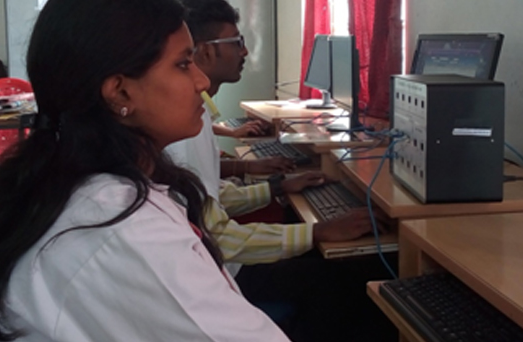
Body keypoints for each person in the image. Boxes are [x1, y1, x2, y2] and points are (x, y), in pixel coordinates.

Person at [0, 0, 288, 341]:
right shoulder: (122, 226)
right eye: (182, 64)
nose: (201, 81)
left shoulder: (80, 184)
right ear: (120, 92)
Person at [168, 1, 397, 341]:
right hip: (226, 272)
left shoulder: (196, 120)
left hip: (220, 261)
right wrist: (317, 232)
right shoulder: (182, 133)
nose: (245, 51)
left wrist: (277, 185)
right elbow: (219, 236)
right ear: (202, 53)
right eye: (235, 42)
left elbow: (210, 195)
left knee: (335, 253)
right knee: (355, 276)